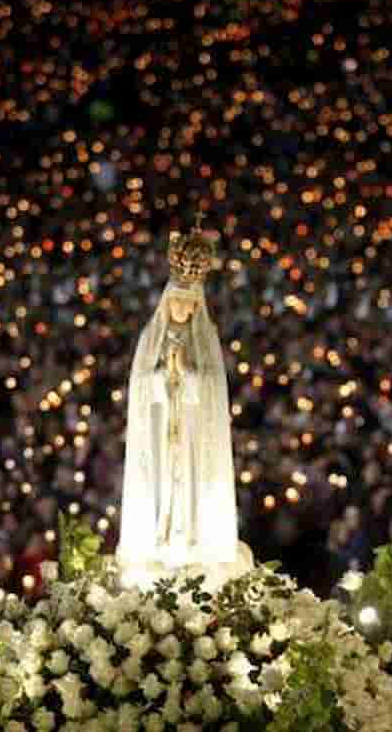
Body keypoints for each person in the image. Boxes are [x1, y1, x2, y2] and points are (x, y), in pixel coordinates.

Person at [116, 225, 252, 588]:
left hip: (193, 431)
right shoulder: (152, 338)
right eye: (177, 302)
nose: (183, 310)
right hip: (161, 428)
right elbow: (142, 383)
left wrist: (187, 375)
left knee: (192, 484)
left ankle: (193, 537)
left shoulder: (204, 340)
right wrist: (163, 377)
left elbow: (212, 386)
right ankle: (159, 537)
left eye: (190, 305)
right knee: (163, 484)